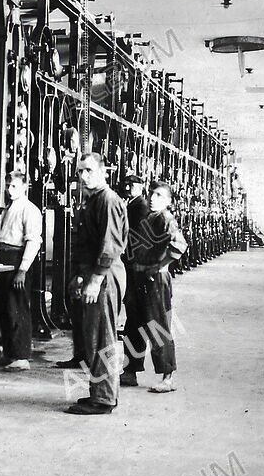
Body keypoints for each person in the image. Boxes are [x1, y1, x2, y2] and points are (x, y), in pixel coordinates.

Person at [61, 153, 129, 415]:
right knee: (94, 337)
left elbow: (109, 246)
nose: (83, 176)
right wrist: (81, 275)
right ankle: (98, 392)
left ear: (103, 172)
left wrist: (96, 279)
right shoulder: (93, 201)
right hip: (95, 275)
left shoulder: (108, 200)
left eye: (89, 170)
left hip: (106, 276)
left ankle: (103, 399)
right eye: (80, 171)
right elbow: (87, 245)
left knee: (103, 337)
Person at [128, 182, 188, 393]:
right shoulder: (149, 218)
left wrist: (158, 267)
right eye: (152, 194)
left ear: (168, 201)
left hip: (155, 280)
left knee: (157, 326)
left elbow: (179, 246)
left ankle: (167, 376)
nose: (153, 198)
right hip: (140, 277)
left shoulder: (165, 218)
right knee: (134, 324)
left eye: (159, 195)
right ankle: (130, 370)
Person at [0, 171, 42, 371]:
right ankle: (10, 353)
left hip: (17, 260)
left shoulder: (30, 210)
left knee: (18, 308)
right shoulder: (7, 209)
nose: (9, 189)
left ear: (24, 187)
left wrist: (22, 270)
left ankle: (22, 356)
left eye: (13, 186)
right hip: (4, 260)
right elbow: (0, 241)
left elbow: (33, 241)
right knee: (5, 308)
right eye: (7, 185)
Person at [120, 174, 150, 387]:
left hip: (136, 269)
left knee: (136, 318)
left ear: (142, 187)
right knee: (133, 317)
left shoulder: (140, 207)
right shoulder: (131, 204)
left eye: (133, 185)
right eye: (127, 184)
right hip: (132, 267)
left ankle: (131, 369)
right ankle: (131, 367)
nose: (129, 187)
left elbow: (137, 239)